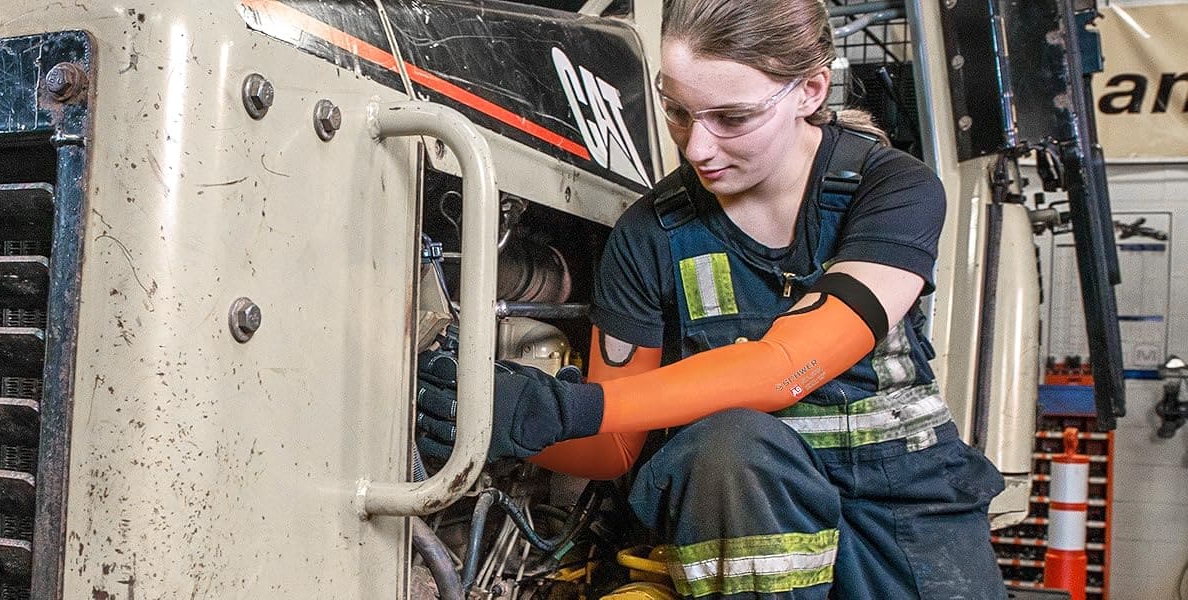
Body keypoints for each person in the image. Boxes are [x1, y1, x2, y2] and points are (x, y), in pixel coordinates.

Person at [414, 0, 1008, 597]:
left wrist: (566, 409)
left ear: (811, 89)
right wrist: (499, 415)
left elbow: (788, 366)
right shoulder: (651, 235)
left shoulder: (890, 191)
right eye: (677, 111)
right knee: (730, 449)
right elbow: (614, 446)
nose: (696, 148)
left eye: (731, 117)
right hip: (744, 518)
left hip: (906, 522)